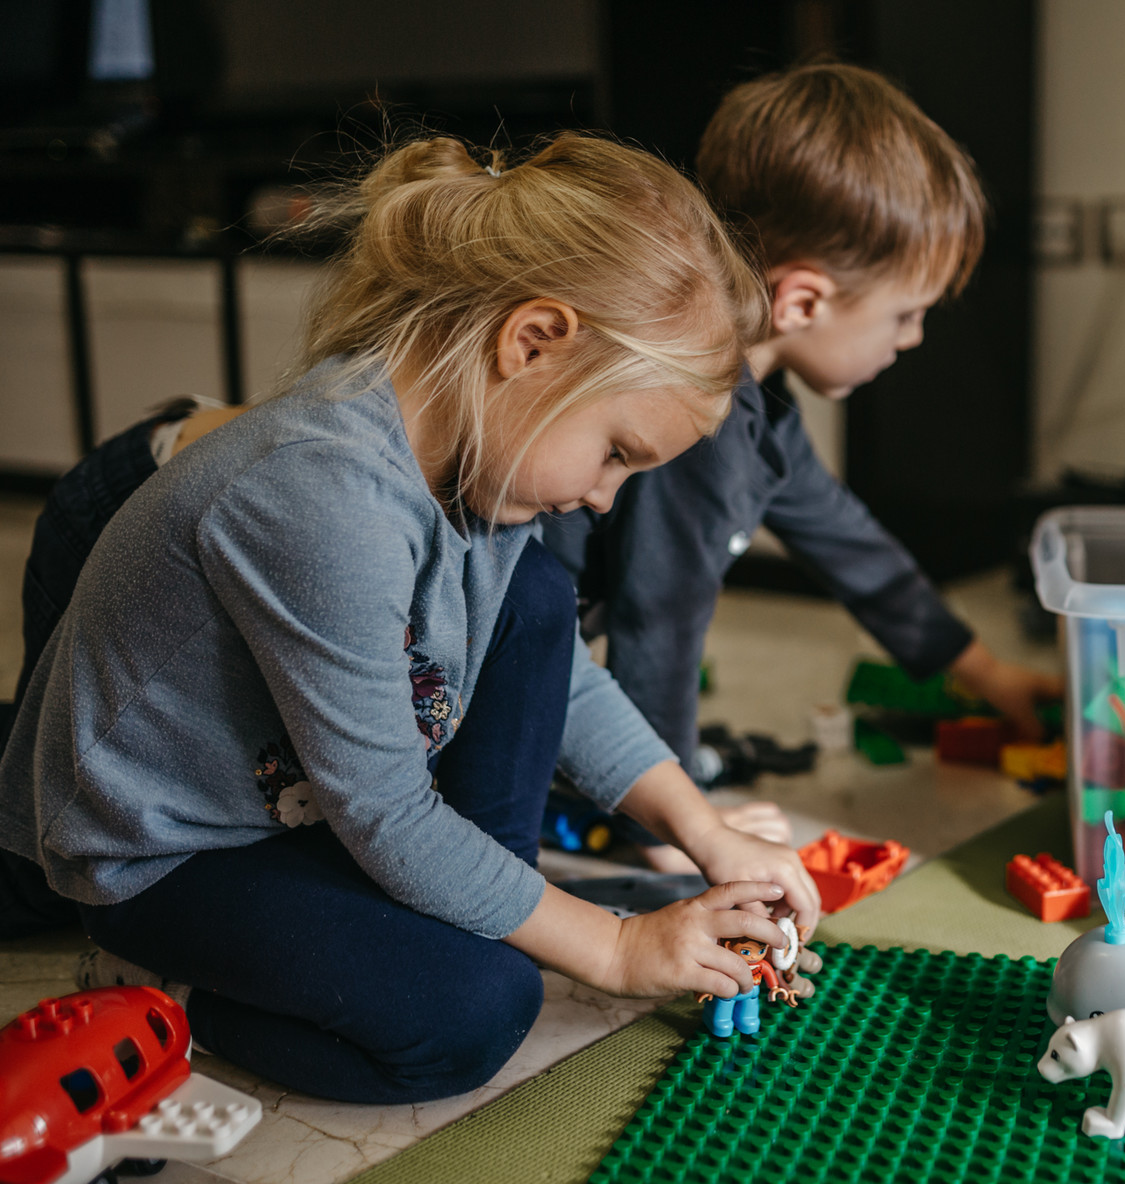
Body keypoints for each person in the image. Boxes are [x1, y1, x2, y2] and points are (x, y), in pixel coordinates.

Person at [0, 133, 821, 1104]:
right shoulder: (319, 496)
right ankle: (165, 983)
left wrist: (703, 830)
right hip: (166, 853)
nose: (608, 499)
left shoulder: (480, 459)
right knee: (473, 1014)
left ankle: (479, 904)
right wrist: (617, 947)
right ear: (533, 342)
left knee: (539, 597)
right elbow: (387, 813)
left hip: (301, 810)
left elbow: (557, 678)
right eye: (616, 453)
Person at [541, 63, 1061, 869]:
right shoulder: (692, 420)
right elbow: (660, 627)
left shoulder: (759, 399)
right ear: (805, 301)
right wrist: (677, 826)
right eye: (906, 313)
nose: (912, 337)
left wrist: (984, 671)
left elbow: (842, 537)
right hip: (493, 674)